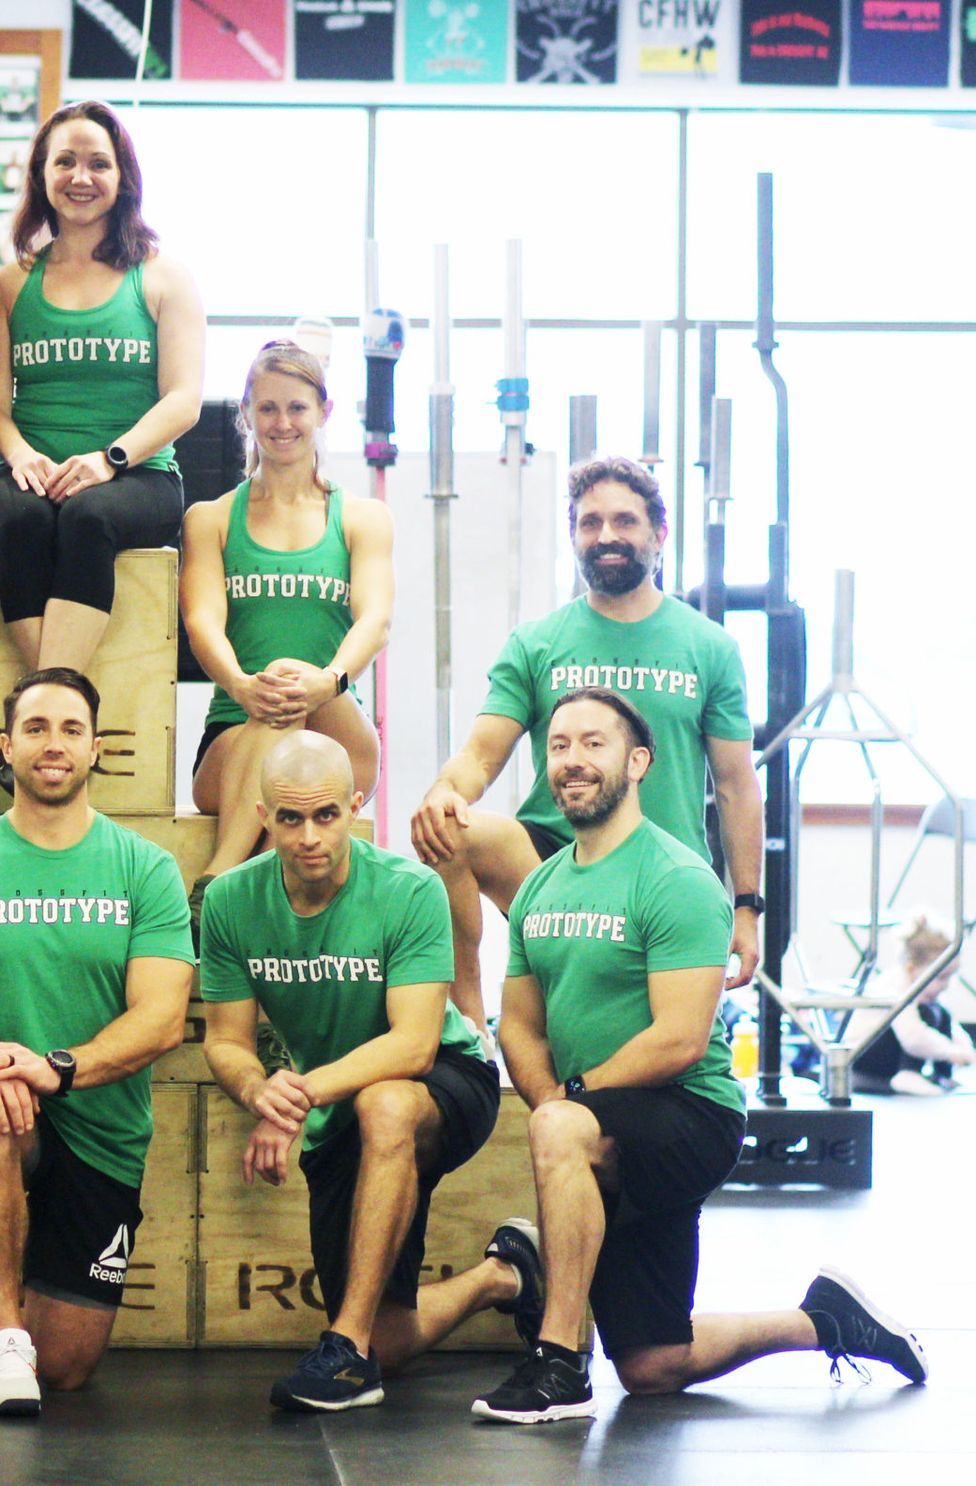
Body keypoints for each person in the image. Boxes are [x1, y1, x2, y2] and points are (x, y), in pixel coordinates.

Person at [473, 687, 926, 1424]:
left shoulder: (678, 880)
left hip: (691, 1113)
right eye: (559, 746)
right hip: (599, 1119)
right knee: (655, 1365)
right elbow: (518, 1024)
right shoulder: (539, 891)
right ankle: (824, 1322)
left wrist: (567, 1101)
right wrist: (553, 1098)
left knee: (560, 1130)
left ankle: (558, 1364)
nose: (573, 761)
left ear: (638, 761)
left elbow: (679, 1040)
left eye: (594, 743)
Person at [201, 732, 534, 1412]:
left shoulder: (407, 890)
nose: (310, 837)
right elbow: (227, 1041)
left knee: (386, 1102)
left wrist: (293, 1101)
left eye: (326, 815)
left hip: (447, 1077)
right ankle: (504, 1277)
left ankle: (347, 1354)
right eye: (290, 819)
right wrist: (259, 1089)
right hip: (335, 1103)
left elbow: (412, 1046)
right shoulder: (232, 901)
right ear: (263, 816)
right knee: (395, 1335)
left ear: (355, 806)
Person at [0, 668, 195, 1417]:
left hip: (102, 1124)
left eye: (71, 729)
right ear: (6, 747)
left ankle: (32, 1331)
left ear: (97, 747)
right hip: (1, 1101)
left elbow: (162, 1018)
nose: (54, 744)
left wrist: (57, 1069)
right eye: (35, 728)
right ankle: (4, 1342)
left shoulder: (146, 869)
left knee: (66, 1367)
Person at [410, 456, 762, 1029]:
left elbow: (736, 785)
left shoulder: (710, 647)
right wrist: (446, 790)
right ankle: (467, 1035)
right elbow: (479, 754)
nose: (607, 536)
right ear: (574, 535)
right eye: (590, 522)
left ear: (659, 534)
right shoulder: (537, 644)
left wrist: (746, 908)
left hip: (662, 879)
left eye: (625, 521)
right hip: (554, 865)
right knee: (446, 823)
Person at [0, 99, 202, 684]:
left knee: (85, 518)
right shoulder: (8, 284)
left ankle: (44, 704)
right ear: (41, 175)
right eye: (66, 162)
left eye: (99, 164)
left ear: (123, 178)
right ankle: (60, 706)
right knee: (20, 520)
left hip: (138, 476)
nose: (81, 178)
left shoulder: (162, 277)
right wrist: (21, 456)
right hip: (32, 469)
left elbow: (183, 399)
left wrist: (110, 460)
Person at [183, 340, 391, 919]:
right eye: (267, 408)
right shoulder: (211, 519)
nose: (282, 423)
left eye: (296, 408)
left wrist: (329, 681)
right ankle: (238, 899)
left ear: (323, 411)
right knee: (276, 683)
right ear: (246, 413)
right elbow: (201, 622)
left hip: (339, 738)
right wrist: (242, 686)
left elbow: (376, 617)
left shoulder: (361, 517)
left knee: (291, 676)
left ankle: (216, 879)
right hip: (232, 741)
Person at [851, 913, 974, 1096]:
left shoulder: (925, 990)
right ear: (911, 968)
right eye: (941, 977)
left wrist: (965, 1050)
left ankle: (943, 1075)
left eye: (951, 977)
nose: (946, 984)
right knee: (927, 1013)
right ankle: (908, 1074)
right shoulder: (895, 985)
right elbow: (913, 1038)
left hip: (890, 1050)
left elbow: (950, 1026)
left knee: (938, 1012)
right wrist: (950, 1052)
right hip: (864, 1055)